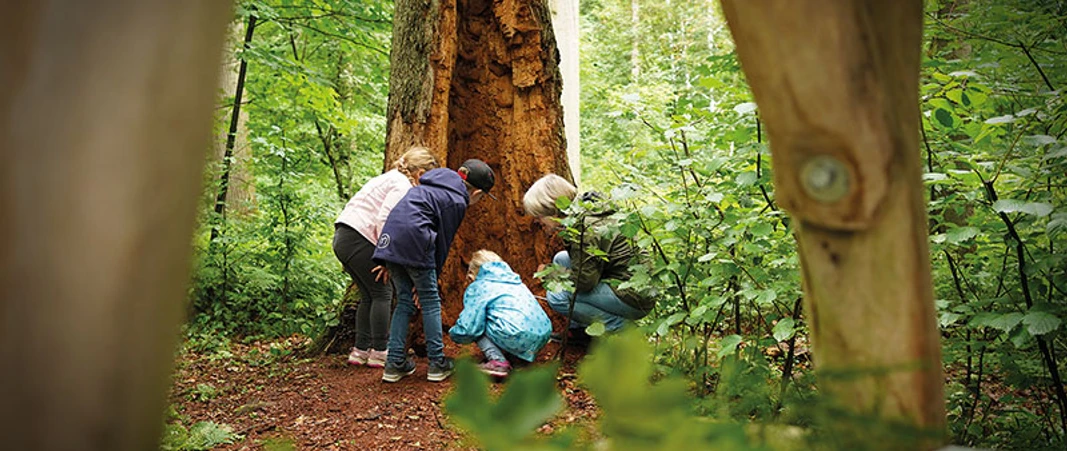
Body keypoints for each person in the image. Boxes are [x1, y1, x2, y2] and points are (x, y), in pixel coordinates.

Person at [373, 159, 496, 383]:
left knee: (404, 302)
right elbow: (442, 243)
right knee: (430, 301)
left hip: (391, 243)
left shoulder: (428, 186)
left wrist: (384, 256)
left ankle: (394, 363)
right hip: (417, 242)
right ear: (477, 192)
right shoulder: (457, 200)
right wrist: (432, 278)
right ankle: (437, 363)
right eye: (482, 198)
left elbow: (398, 217)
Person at [333, 147, 439, 368]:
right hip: (359, 236)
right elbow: (384, 219)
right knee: (383, 291)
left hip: (345, 236)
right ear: (420, 173)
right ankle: (380, 350)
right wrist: (385, 256)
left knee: (369, 294)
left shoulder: (390, 178)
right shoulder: (401, 185)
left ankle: (361, 350)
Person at [523, 174, 656, 343]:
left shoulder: (585, 228)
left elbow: (585, 283)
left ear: (555, 211)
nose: (539, 222)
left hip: (633, 296)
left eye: (540, 216)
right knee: (561, 259)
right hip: (626, 281)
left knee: (556, 297)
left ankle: (620, 327)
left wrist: (550, 276)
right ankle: (579, 331)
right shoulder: (587, 211)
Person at [449, 250, 552, 378]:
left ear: (474, 272)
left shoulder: (479, 286)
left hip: (516, 334)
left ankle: (498, 362)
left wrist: (454, 334)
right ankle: (518, 358)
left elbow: (469, 327)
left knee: (477, 321)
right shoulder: (514, 280)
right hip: (542, 334)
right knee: (502, 317)